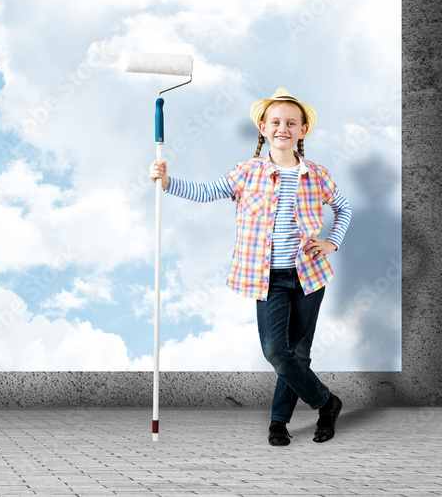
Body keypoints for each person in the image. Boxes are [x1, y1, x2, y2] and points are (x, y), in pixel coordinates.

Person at [148, 87, 351, 446]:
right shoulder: (247, 173)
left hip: (309, 275)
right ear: (262, 127)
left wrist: (332, 241)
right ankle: (326, 403)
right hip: (268, 279)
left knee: (298, 353)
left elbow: (343, 207)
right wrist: (166, 182)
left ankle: (278, 422)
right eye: (275, 122)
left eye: (291, 122)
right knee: (277, 352)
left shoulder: (316, 174)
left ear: (303, 130)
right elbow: (206, 191)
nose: (282, 128)